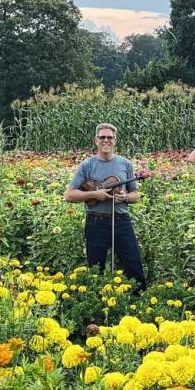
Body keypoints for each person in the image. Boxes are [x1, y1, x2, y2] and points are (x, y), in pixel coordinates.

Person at [64, 123, 147, 291]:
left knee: (134, 265)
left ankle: (139, 302)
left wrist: (125, 198)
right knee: (96, 269)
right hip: (96, 221)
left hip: (121, 221)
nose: (106, 140)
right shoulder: (87, 165)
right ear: (96, 140)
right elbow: (69, 195)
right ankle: (97, 307)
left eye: (109, 137)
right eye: (102, 137)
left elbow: (136, 195)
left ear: (115, 141)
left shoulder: (125, 164)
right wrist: (94, 194)